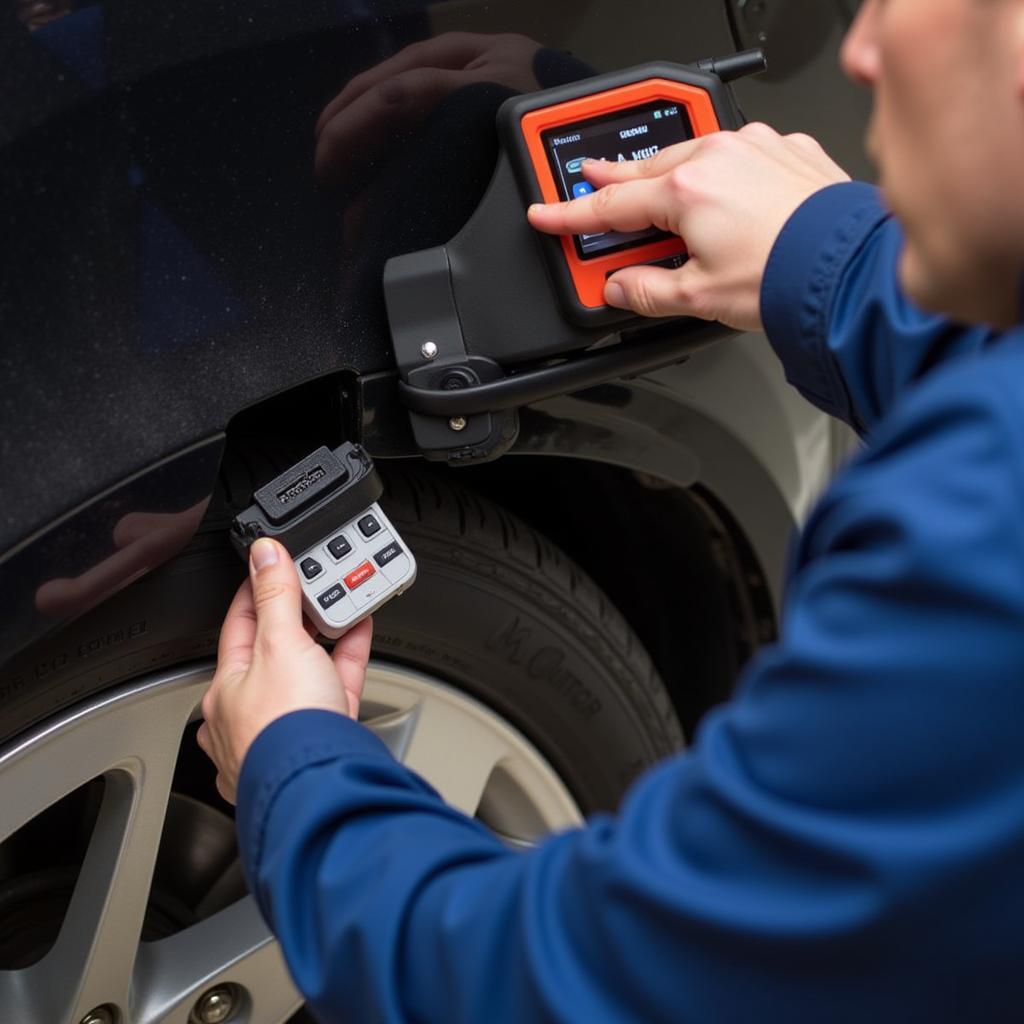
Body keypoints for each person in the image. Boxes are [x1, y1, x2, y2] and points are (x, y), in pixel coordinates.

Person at [197, 0, 1024, 1019]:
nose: (859, 48)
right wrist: (836, 259)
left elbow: (568, 982)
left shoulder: (966, 556)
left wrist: (293, 764)